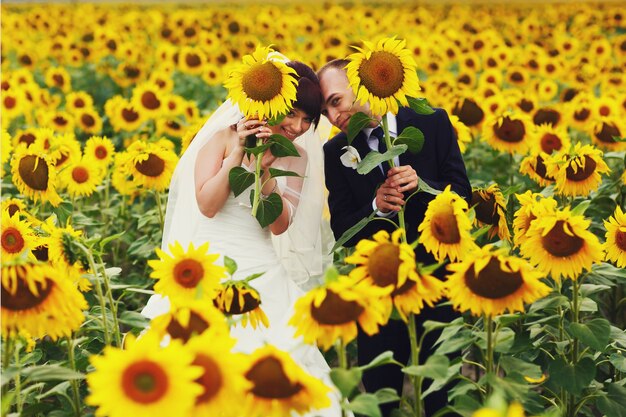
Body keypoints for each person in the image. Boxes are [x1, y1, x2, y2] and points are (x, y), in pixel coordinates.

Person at [142, 61, 340, 416]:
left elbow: (279, 225)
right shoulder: (221, 139)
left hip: (262, 267)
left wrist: (265, 174)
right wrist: (240, 155)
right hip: (207, 265)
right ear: (271, 103)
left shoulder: (298, 156)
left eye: (309, 120)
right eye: (293, 114)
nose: (299, 127)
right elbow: (208, 204)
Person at [318, 59, 471, 417]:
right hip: (379, 288)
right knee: (380, 396)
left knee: (441, 394)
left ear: (360, 84)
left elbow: (462, 194)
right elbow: (342, 227)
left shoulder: (431, 123)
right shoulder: (335, 152)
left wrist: (425, 186)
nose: (332, 115)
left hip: (438, 277)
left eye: (336, 101)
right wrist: (376, 205)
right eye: (325, 110)